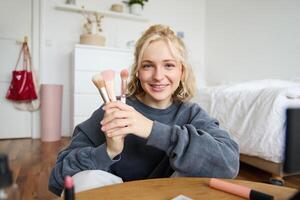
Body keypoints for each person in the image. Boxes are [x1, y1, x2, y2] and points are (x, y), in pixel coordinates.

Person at [48, 24, 239, 196]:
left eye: (169, 65)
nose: (158, 76)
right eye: (148, 66)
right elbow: (58, 179)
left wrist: (151, 129)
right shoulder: (113, 110)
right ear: (137, 72)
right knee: (87, 179)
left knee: (200, 171)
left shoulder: (191, 114)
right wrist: (108, 151)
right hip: (118, 194)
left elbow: (228, 165)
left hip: (168, 194)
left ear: (181, 71)